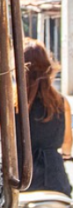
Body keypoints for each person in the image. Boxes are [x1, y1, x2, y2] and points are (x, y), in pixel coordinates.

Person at [24, 39, 72, 194]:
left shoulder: (12, 102)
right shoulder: (61, 102)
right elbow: (66, 146)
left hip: (20, 181)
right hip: (55, 182)